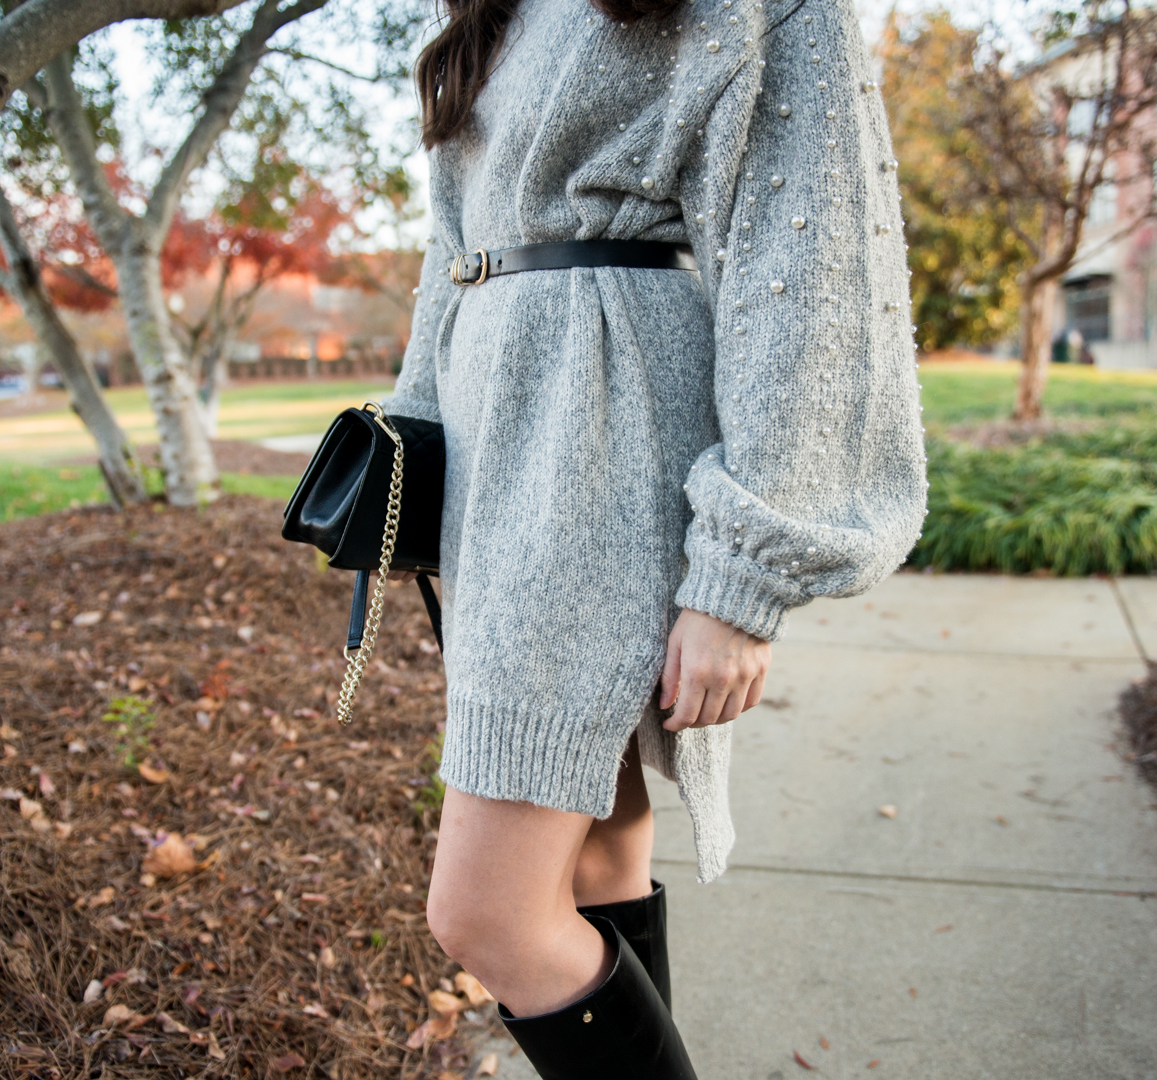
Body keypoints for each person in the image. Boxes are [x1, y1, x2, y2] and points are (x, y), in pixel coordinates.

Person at [383, 0, 928, 1071]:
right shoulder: (494, 12)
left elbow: (808, 284)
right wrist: (413, 458)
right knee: (591, 865)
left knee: (486, 916)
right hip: (507, 471)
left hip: (598, 451)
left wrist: (739, 580)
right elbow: (454, 254)